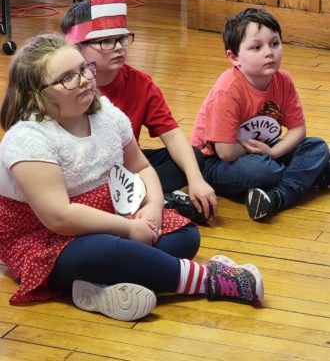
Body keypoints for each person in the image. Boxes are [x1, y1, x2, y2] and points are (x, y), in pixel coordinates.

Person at [0, 32, 263, 322]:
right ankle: (210, 280)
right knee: (103, 251)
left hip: (110, 216)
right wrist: (126, 230)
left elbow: (142, 167)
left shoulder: (106, 116)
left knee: (185, 235)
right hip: (47, 237)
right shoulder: (28, 138)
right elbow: (59, 217)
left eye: (84, 69)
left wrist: (153, 207)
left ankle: (98, 290)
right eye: (67, 78)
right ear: (35, 95)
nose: (85, 79)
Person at [60, 0, 217, 224]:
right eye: (106, 41)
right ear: (77, 47)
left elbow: (172, 134)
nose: (120, 46)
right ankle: (159, 202)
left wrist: (196, 180)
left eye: (123, 38)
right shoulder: (66, 87)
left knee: (193, 159)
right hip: (81, 177)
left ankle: (149, 201)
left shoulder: (139, 82)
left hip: (127, 169)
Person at [191, 8, 330, 220]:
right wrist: (267, 157)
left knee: (317, 147)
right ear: (234, 57)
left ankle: (277, 196)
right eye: (257, 47)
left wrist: (273, 153)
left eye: (274, 43)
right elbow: (226, 151)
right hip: (217, 161)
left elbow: (298, 130)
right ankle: (305, 177)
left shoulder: (283, 80)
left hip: (266, 148)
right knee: (262, 171)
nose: (269, 52)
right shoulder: (227, 90)